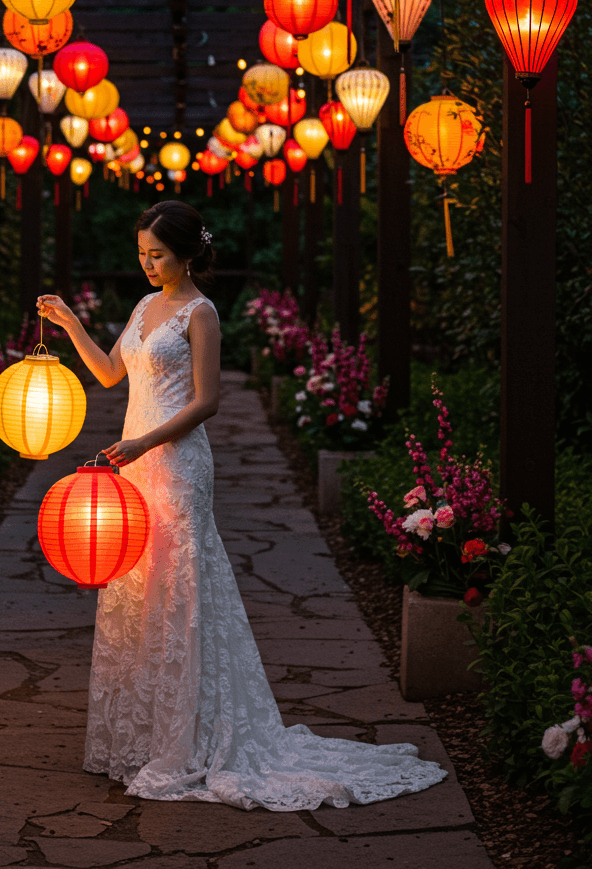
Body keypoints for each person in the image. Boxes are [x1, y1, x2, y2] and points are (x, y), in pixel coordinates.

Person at [37, 200, 446, 811]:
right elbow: (107, 375)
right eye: (142, 254)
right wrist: (70, 323)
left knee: (181, 588)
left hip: (175, 464)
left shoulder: (201, 313)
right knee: (138, 585)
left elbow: (208, 402)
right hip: (135, 462)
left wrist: (145, 440)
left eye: (158, 255)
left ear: (186, 254)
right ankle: (141, 735)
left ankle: (190, 738)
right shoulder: (145, 306)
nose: (148, 265)